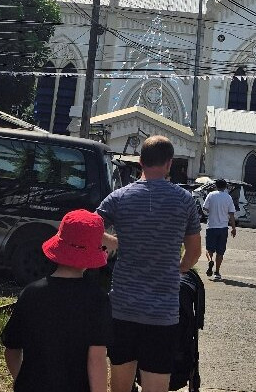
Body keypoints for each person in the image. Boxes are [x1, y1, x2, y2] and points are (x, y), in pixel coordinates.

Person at [97, 135, 202, 392]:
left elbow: (89, 228)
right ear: (169, 164)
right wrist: (182, 267)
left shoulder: (119, 197)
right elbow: (194, 251)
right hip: (162, 312)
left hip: (122, 307)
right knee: (156, 382)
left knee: (121, 381)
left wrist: (116, 242)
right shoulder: (184, 200)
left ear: (141, 161)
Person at [1, 209, 110, 392]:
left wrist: (22, 381)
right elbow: (96, 359)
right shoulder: (97, 300)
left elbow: (11, 350)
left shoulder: (31, 294)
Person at [202, 178, 237, 281]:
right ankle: (217, 272)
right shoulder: (228, 198)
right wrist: (233, 228)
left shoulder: (211, 195)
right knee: (220, 251)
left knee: (209, 249)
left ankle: (210, 261)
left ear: (216, 186)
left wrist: (211, 210)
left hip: (211, 226)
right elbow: (231, 214)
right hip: (223, 228)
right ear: (225, 187)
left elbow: (205, 208)